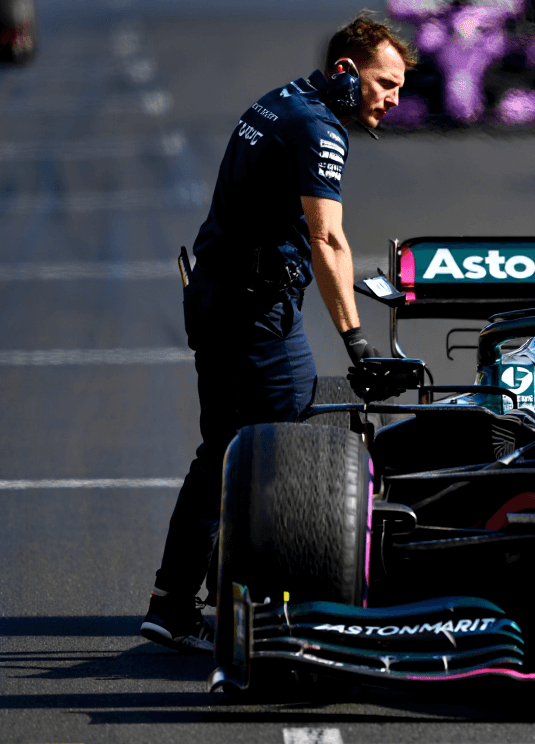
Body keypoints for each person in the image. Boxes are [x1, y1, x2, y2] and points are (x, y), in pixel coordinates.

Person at [140, 14, 417, 653]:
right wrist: (357, 344)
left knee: (223, 449)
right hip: (252, 311)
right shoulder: (318, 127)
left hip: (216, 296)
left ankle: (174, 602)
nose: (394, 100)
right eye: (385, 83)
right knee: (288, 444)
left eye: (400, 88)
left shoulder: (280, 100)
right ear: (345, 71)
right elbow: (329, 239)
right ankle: (264, 609)